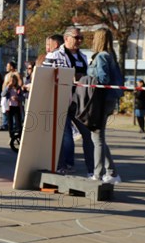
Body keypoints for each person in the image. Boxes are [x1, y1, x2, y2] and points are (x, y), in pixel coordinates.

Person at [43, 27, 94, 176]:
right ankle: (64, 165)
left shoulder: (84, 57)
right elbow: (45, 75)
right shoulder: (55, 55)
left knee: (88, 134)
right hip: (61, 99)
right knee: (65, 134)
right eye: (76, 38)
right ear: (66, 38)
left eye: (81, 38)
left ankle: (92, 169)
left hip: (80, 102)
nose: (79, 41)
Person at [86, 28, 122, 184]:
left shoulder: (101, 57)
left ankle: (98, 174)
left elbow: (103, 79)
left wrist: (88, 78)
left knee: (97, 138)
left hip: (100, 100)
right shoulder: (111, 56)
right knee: (98, 138)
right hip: (108, 100)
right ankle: (112, 172)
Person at [2, 73, 23, 142]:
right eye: (11, 81)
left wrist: (17, 98)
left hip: (16, 107)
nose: (12, 82)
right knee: (10, 124)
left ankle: (20, 137)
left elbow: (22, 97)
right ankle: (12, 137)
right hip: (9, 107)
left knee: (18, 124)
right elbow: (3, 94)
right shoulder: (8, 87)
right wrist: (8, 87)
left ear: (16, 81)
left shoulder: (18, 88)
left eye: (13, 81)